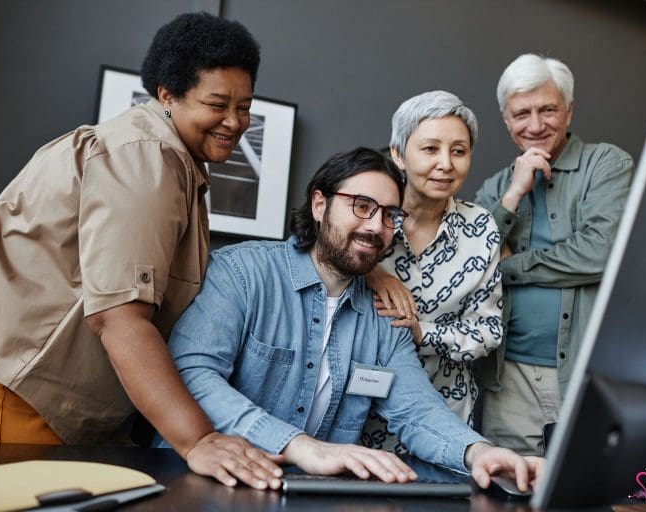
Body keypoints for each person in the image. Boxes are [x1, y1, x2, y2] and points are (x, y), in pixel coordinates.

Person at [0, 12, 283, 489]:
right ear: (167, 95)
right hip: (7, 384)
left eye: (245, 106)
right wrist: (198, 439)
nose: (235, 121)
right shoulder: (147, 156)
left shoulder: (160, 155)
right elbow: (118, 316)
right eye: (217, 103)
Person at [154, 147, 544, 491]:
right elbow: (192, 373)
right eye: (361, 206)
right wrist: (300, 447)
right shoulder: (242, 273)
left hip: (302, 494)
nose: (376, 226)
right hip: (196, 481)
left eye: (390, 215)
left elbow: (416, 410)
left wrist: (478, 453)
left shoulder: (384, 315)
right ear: (320, 205)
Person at [474, 54, 634, 455]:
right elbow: (472, 267)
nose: (535, 124)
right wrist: (513, 195)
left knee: (585, 493)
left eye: (548, 109)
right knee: (510, 495)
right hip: (508, 380)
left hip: (584, 374)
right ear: (506, 121)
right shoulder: (495, 189)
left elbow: (600, 252)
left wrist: (509, 267)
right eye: (521, 113)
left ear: (569, 110)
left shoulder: (606, 164)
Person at [360, 91, 503, 455]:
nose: (446, 164)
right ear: (398, 154)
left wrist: (424, 332)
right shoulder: (368, 213)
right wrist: (370, 272)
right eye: (430, 149)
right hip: (359, 416)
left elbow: (487, 331)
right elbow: (313, 252)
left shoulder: (480, 227)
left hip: (446, 416)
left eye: (458, 151)